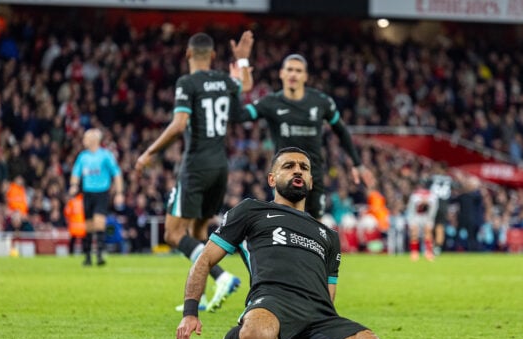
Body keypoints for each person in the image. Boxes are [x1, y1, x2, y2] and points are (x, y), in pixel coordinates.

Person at [176, 147, 393, 339]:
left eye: (304, 168)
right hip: (272, 304)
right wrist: (190, 313)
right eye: (288, 166)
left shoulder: (329, 235)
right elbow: (205, 259)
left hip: (318, 316)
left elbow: (329, 293)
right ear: (272, 178)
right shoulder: (252, 211)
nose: (297, 171)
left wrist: (324, 331)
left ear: (310, 181)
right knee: (257, 335)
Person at [135, 31, 254, 312]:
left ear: (188, 54)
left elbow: (178, 125)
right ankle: (197, 297)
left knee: (173, 234)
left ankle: (222, 277)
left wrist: (149, 152)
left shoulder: (187, 82)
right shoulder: (225, 81)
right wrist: (243, 59)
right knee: (198, 233)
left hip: (196, 165)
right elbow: (245, 85)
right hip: (220, 166)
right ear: (213, 56)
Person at [238, 54, 374, 219]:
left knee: (315, 226)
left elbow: (341, 130)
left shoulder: (321, 102)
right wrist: (238, 82)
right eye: (289, 70)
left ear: (305, 76)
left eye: (298, 70)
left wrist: (358, 164)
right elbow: (239, 116)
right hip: (285, 175)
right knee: (286, 222)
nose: (293, 74)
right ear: (282, 73)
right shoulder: (270, 102)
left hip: (313, 175)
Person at [69, 128, 124, 266]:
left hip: (101, 193)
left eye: (86, 138)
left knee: (99, 223)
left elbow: (116, 174)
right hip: (88, 194)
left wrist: (119, 193)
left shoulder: (105, 155)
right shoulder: (83, 156)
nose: (83, 141)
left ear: (94, 140)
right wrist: (74, 185)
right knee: (88, 226)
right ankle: (87, 256)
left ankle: (99, 255)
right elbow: (76, 172)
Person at [406, 186, 438, 261]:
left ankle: (429, 252)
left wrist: (430, 220)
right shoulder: (414, 197)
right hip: (415, 215)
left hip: (427, 216)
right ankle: (414, 252)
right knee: (414, 233)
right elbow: (411, 209)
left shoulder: (432, 197)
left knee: (428, 233)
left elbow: (433, 210)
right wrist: (411, 220)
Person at [428, 168, 453, 256]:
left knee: (430, 227)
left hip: (433, 206)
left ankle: (429, 247)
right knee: (440, 227)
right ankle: (437, 248)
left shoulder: (432, 178)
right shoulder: (449, 179)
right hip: (443, 206)